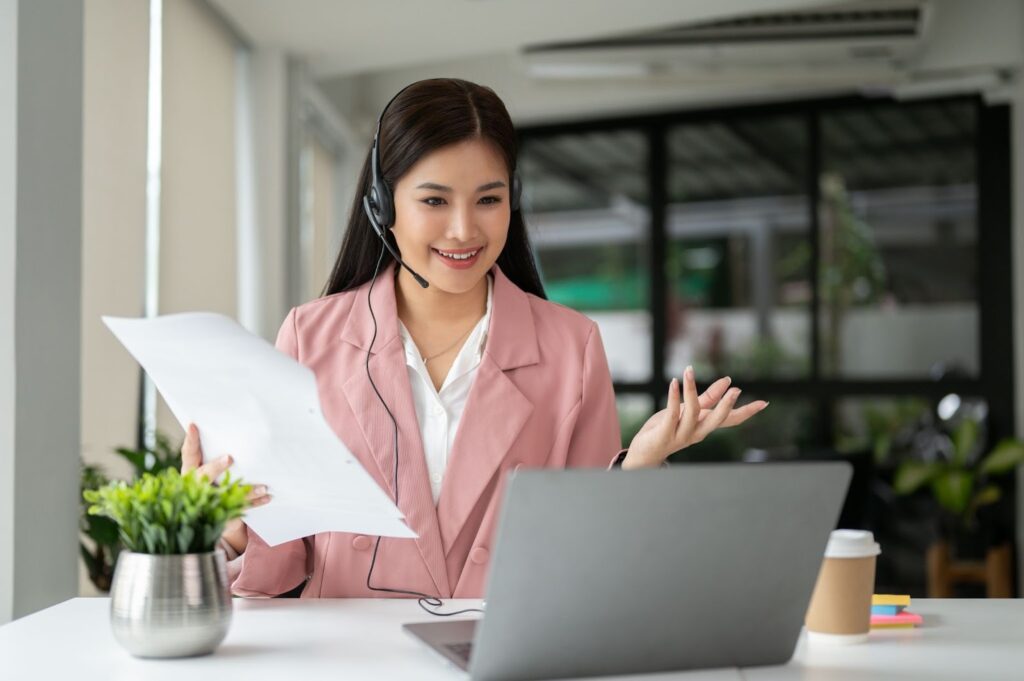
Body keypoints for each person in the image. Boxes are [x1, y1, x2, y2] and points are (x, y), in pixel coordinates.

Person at [180, 78, 768, 600]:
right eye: (434, 200)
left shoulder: (572, 346)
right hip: (348, 656)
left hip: (506, 651)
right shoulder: (310, 336)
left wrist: (640, 463)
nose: (464, 230)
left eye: (489, 199)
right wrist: (226, 519)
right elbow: (282, 559)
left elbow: (590, 555)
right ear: (383, 204)